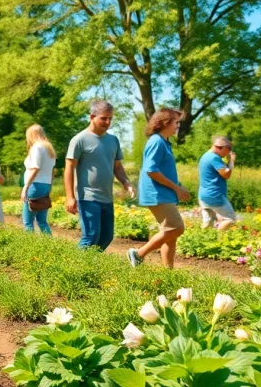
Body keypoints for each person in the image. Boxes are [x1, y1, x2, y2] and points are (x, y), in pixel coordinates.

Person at [65, 99, 135, 250]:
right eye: (103, 118)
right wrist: (70, 197)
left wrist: (126, 182)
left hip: (107, 197)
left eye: (110, 118)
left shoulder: (113, 140)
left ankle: (90, 266)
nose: (107, 122)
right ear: (92, 117)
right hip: (87, 197)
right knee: (91, 236)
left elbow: (117, 167)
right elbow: (69, 168)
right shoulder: (79, 140)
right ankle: (75, 268)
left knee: (106, 236)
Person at [127, 109, 190, 268]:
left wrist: (178, 187)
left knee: (170, 235)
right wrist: (176, 188)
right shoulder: (157, 141)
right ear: (164, 122)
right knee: (176, 228)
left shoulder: (164, 142)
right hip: (157, 194)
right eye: (176, 122)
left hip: (163, 193)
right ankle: (139, 253)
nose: (178, 126)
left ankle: (167, 271)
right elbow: (151, 170)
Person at [21, 124, 56, 234]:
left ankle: (29, 247)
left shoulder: (36, 147)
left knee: (28, 222)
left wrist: (26, 187)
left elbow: (35, 168)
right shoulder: (49, 148)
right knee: (42, 221)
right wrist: (50, 185)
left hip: (35, 185)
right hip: (45, 185)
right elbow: (52, 171)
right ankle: (50, 245)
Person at [197, 136, 237, 231]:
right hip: (214, 195)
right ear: (221, 147)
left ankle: (202, 242)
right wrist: (231, 161)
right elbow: (226, 174)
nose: (229, 152)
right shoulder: (214, 158)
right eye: (229, 149)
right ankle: (218, 240)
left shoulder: (206, 156)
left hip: (204, 195)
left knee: (208, 222)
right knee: (230, 219)